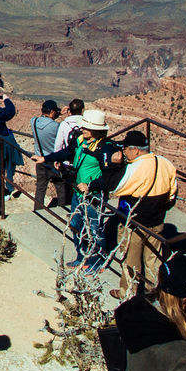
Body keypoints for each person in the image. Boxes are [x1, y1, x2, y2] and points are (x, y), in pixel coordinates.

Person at [36, 109, 121, 271]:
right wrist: (46, 158)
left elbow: (109, 177)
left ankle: (97, 262)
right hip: (77, 192)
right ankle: (81, 257)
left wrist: (91, 186)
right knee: (76, 224)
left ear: (97, 130)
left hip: (94, 196)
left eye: (86, 128)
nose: (82, 129)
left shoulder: (105, 148)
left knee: (95, 229)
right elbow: (67, 152)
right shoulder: (81, 140)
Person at [109, 131, 178, 300]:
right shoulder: (166, 163)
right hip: (157, 222)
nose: (124, 152)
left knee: (131, 261)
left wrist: (114, 166)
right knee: (153, 260)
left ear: (136, 150)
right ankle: (152, 293)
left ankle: (128, 294)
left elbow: (115, 187)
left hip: (135, 223)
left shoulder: (135, 167)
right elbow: (172, 195)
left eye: (126, 148)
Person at [30, 100, 69, 209]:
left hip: (40, 161)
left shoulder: (33, 121)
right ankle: (62, 209)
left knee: (40, 188)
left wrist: (57, 113)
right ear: (52, 111)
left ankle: (38, 210)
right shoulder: (56, 126)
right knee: (60, 187)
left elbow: (46, 119)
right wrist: (60, 114)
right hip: (54, 161)